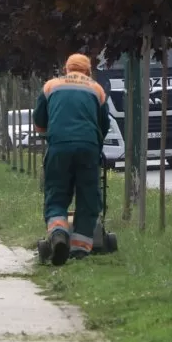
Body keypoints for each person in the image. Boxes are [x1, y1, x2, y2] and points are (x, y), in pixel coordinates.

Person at [34, 54, 110, 265]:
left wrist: (50, 132)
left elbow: (39, 122)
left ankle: (58, 233)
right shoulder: (97, 89)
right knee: (88, 197)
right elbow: (104, 125)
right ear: (88, 70)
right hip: (88, 148)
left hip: (59, 147)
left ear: (66, 68)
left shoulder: (50, 87)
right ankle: (80, 249)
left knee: (56, 193)